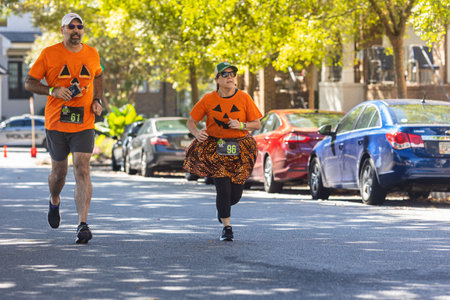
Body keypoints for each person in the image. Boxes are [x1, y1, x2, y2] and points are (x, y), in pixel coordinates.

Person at [25, 13, 103, 244]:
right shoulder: (49, 54)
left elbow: (98, 75)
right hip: (57, 122)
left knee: (82, 168)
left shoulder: (92, 53)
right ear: (63, 30)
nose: (76, 30)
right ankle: (54, 199)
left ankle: (82, 224)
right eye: (72, 26)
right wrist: (53, 91)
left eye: (80, 26)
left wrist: (97, 99)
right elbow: (30, 82)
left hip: (84, 122)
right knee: (59, 173)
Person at [184, 62, 262, 241]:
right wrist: (197, 134)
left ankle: (223, 208)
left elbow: (257, 123)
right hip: (217, 147)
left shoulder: (244, 98)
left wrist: (240, 125)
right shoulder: (208, 99)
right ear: (217, 79)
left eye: (232, 74)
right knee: (223, 188)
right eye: (225, 74)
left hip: (240, 147)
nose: (229, 77)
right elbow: (191, 122)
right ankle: (227, 227)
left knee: (235, 194)